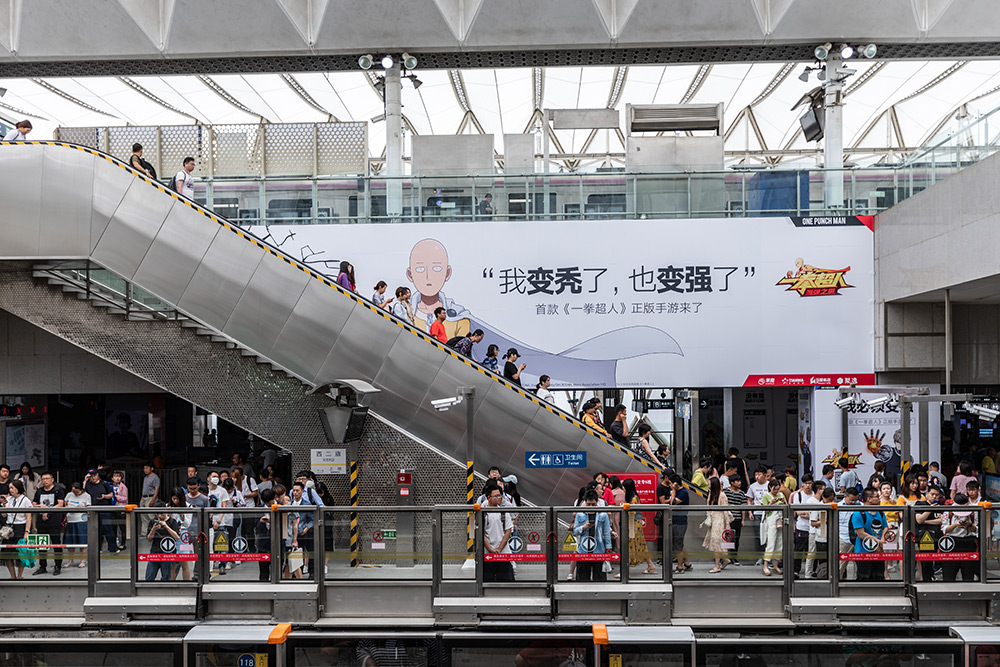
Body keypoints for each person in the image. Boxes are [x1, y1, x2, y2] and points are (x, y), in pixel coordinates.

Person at [31, 471, 65, 576]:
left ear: (52, 479)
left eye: (47, 478)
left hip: (54, 521)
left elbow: (60, 504)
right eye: (43, 479)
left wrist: (48, 511)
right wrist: (40, 507)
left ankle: (58, 566)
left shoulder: (58, 490)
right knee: (42, 545)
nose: (45, 481)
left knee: (56, 544)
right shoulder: (40, 491)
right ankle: (42, 566)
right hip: (41, 522)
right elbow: (33, 504)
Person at [573, 489, 612, 582]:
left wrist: (608, 548)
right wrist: (584, 527)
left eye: (593, 505)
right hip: (583, 550)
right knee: (582, 578)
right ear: (585, 502)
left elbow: (606, 532)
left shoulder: (603, 515)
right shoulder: (580, 515)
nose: (591, 507)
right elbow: (575, 532)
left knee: (599, 578)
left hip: (598, 549)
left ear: (597, 502)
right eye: (588, 504)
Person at [851, 488, 888, 582]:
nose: (879, 498)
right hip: (863, 552)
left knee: (879, 576)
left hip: (879, 552)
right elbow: (861, 533)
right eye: (877, 496)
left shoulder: (880, 512)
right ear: (869, 499)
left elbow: (885, 527)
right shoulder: (858, 513)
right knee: (864, 577)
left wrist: (883, 540)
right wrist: (878, 542)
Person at [622, 478, 656, 575]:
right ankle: (650, 564)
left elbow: (631, 513)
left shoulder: (633, 499)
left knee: (630, 546)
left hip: (633, 525)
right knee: (640, 545)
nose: (623, 489)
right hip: (636, 525)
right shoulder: (635, 497)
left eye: (624, 487)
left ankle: (624, 570)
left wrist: (623, 507)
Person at [482, 481, 514, 582]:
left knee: (506, 581)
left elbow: (508, 530)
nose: (498, 498)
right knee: (488, 581)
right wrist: (490, 549)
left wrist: (499, 548)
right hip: (487, 553)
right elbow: (481, 534)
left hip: (504, 552)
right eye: (495, 496)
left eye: (500, 495)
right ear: (488, 497)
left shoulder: (504, 512)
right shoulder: (482, 513)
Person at [942, 492, 978, 581]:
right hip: (951, 543)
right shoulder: (948, 511)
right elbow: (944, 529)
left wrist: (969, 524)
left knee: (968, 575)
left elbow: (977, 529)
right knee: (949, 575)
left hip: (968, 543)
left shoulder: (973, 512)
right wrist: (955, 525)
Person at [3, 479, 32, 579]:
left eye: (13, 488)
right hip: (9, 527)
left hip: (20, 527)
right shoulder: (9, 499)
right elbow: (4, 515)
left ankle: (19, 576)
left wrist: (27, 532)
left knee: (20, 554)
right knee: (6, 554)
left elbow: (29, 517)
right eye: (10, 488)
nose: (11, 490)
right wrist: (3, 505)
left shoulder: (25, 500)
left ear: (18, 488)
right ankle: (12, 576)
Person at [84, 468, 118, 553]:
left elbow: (111, 495)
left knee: (108, 529)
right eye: (91, 476)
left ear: (98, 475)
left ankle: (113, 548)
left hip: (104, 509)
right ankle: (98, 548)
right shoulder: (88, 484)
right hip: (93, 510)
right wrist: (85, 479)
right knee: (96, 530)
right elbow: (83, 490)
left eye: (94, 475)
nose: (93, 478)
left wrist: (104, 496)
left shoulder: (104, 484)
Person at [145, 503, 180, 581]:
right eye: (157, 514)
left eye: (161, 513)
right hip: (155, 552)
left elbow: (177, 536)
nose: (159, 516)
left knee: (166, 578)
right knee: (149, 577)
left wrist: (166, 526)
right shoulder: (153, 522)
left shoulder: (172, 521)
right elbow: (149, 539)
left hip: (167, 553)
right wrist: (153, 529)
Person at [703, 478, 732, 573]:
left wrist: (727, 525)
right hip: (714, 519)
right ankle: (725, 559)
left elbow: (725, 511)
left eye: (710, 484)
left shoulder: (722, 495)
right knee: (717, 542)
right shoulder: (711, 494)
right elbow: (708, 506)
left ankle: (717, 566)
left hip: (719, 520)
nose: (708, 485)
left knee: (716, 542)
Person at [63, 482, 91, 569]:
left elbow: (89, 509)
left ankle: (83, 560)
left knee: (82, 542)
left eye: (77, 492)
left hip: (81, 520)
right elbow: (65, 504)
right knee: (70, 542)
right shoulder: (69, 495)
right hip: (70, 519)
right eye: (73, 491)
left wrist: (81, 507)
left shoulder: (87, 496)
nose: (75, 493)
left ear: (81, 490)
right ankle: (70, 560)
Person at [760, 478, 784, 576]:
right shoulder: (766, 496)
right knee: (770, 543)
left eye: (778, 489)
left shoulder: (781, 495)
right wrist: (771, 504)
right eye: (775, 489)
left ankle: (775, 565)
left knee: (779, 543)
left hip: (780, 520)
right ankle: (765, 566)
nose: (776, 491)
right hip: (771, 522)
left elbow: (786, 505)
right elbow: (764, 511)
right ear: (770, 487)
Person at [667, 473, 691, 573]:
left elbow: (672, 503)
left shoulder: (682, 492)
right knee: (679, 543)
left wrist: (673, 490)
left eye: (670, 483)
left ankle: (680, 567)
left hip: (680, 522)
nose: (669, 485)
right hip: (676, 520)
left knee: (678, 545)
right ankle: (687, 563)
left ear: (675, 483)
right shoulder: (679, 491)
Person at [723, 473, 747, 566]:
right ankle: (726, 557)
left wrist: (742, 520)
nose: (739, 483)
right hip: (728, 519)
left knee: (736, 539)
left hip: (737, 518)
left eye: (740, 481)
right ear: (732, 482)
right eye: (737, 481)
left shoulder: (741, 493)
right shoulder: (725, 492)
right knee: (726, 538)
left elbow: (743, 508)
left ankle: (734, 557)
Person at [838, 486, 861, 580]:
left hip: (859, 539)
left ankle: (857, 584)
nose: (853, 502)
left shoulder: (861, 506)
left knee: (859, 566)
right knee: (840, 566)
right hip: (844, 539)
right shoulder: (838, 507)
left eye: (855, 500)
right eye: (851, 500)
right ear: (845, 496)